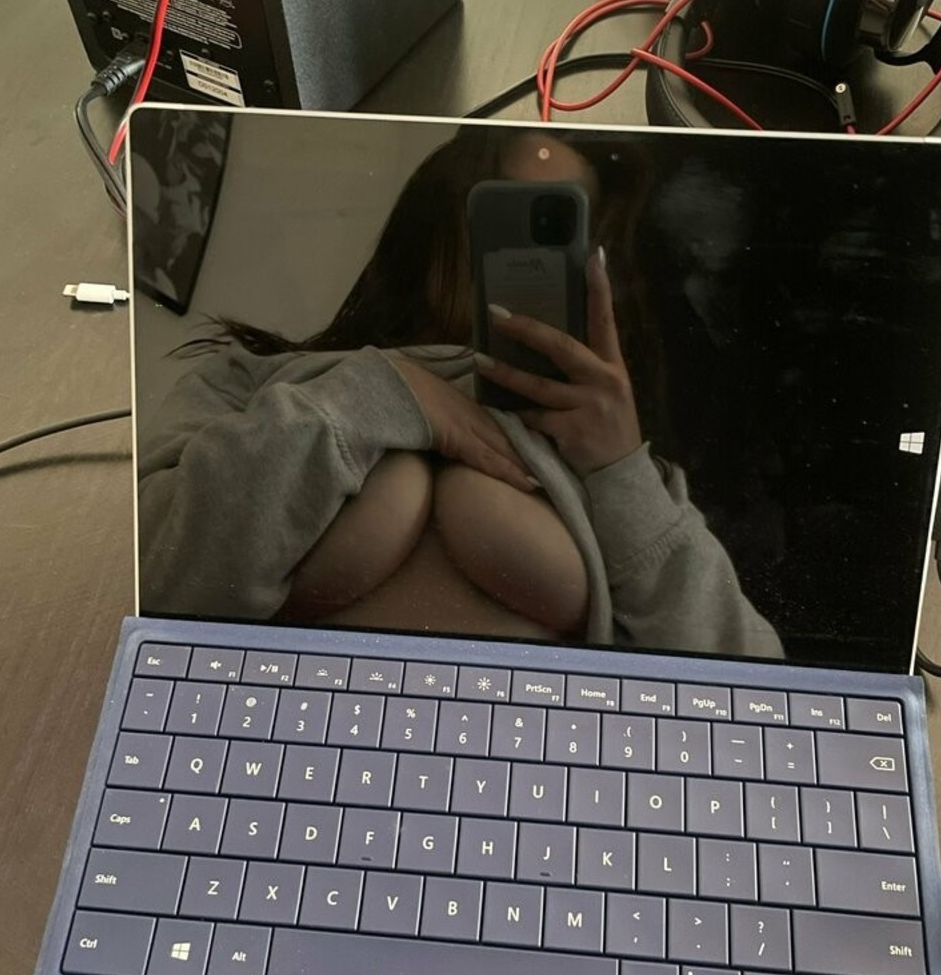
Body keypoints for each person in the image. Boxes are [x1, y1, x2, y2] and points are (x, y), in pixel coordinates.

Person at [137, 125, 782, 659]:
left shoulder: (609, 459)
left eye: (565, 227)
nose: (533, 255)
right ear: (439, 217)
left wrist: (622, 474)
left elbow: (753, 691)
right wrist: (375, 397)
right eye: (515, 216)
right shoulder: (248, 381)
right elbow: (145, 581)